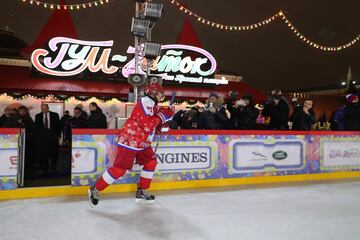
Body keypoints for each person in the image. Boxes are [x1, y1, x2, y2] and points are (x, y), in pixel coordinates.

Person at [88, 82, 174, 207]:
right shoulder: (145, 102)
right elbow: (146, 123)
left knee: (151, 161)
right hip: (130, 141)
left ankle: (142, 192)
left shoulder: (152, 104)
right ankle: (95, 189)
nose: (163, 95)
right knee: (119, 170)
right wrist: (163, 116)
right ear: (153, 93)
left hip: (142, 142)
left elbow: (152, 122)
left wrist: (163, 122)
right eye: (161, 93)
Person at [34, 104, 61, 172]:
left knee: (55, 151)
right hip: (42, 136)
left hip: (53, 135)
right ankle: (44, 166)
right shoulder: (38, 116)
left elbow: (58, 126)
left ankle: (54, 166)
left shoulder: (55, 115)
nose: (44, 110)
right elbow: (36, 127)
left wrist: (59, 135)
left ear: (48, 108)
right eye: (42, 109)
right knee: (43, 151)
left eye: (45, 109)